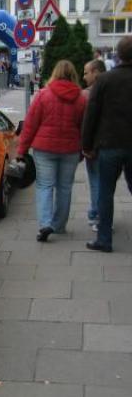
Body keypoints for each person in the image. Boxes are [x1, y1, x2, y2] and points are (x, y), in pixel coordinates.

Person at [18, 60, 86, 242]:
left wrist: (22, 150)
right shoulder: (81, 98)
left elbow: (31, 124)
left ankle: (45, 223)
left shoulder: (43, 95)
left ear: (54, 73)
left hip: (44, 149)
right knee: (65, 187)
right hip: (70, 149)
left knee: (45, 185)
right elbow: (84, 127)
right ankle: (59, 225)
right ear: (74, 75)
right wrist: (83, 150)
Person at [82, 36, 132, 252]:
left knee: (105, 192)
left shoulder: (104, 80)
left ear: (118, 55)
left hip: (109, 143)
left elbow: (91, 114)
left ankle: (104, 239)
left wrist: (87, 145)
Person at [81, 59, 107, 232]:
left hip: (95, 145)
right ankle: (105, 215)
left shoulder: (87, 95)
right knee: (107, 183)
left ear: (96, 72)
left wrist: (86, 146)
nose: (84, 77)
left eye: (86, 72)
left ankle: (97, 216)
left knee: (96, 181)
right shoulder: (115, 89)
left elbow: (86, 122)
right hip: (115, 143)